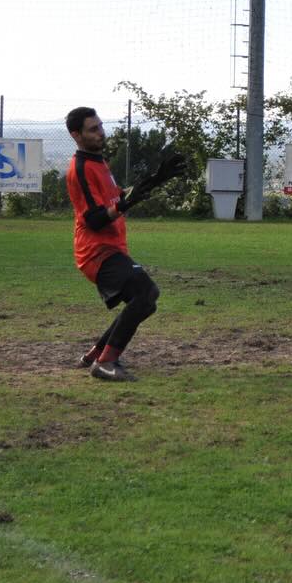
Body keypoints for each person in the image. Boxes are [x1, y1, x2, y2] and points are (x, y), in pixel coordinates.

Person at [64, 106, 187, 381]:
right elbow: (95, 219)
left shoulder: (98, 162)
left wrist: (155, 180)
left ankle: (95, 354)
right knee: (146, 293)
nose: (101, 132)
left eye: (100, 126)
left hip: (111, 249)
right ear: (76, 135)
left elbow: (118, 198)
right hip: (96, 252)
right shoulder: (80, 169)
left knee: (146, 301)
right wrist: (124, 204)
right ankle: (105, 363)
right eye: (93, 129)